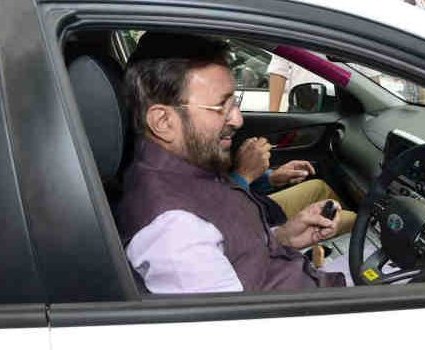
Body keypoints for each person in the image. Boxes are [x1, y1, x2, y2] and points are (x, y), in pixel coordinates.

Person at [117, 32, 348, 293]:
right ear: (163, 121)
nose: (237, 119)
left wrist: (283, 237)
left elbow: (230, 252)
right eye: (221, 106)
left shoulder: (189, 163)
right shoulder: (174, 233)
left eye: (234, 102)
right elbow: (241, 326)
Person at [269, 0, 379, 111]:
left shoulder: (358, 6)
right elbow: (279, 66)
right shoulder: (297, 5)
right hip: (306, 110)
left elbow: (369, 65)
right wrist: (272, 119)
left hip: (349, 110)